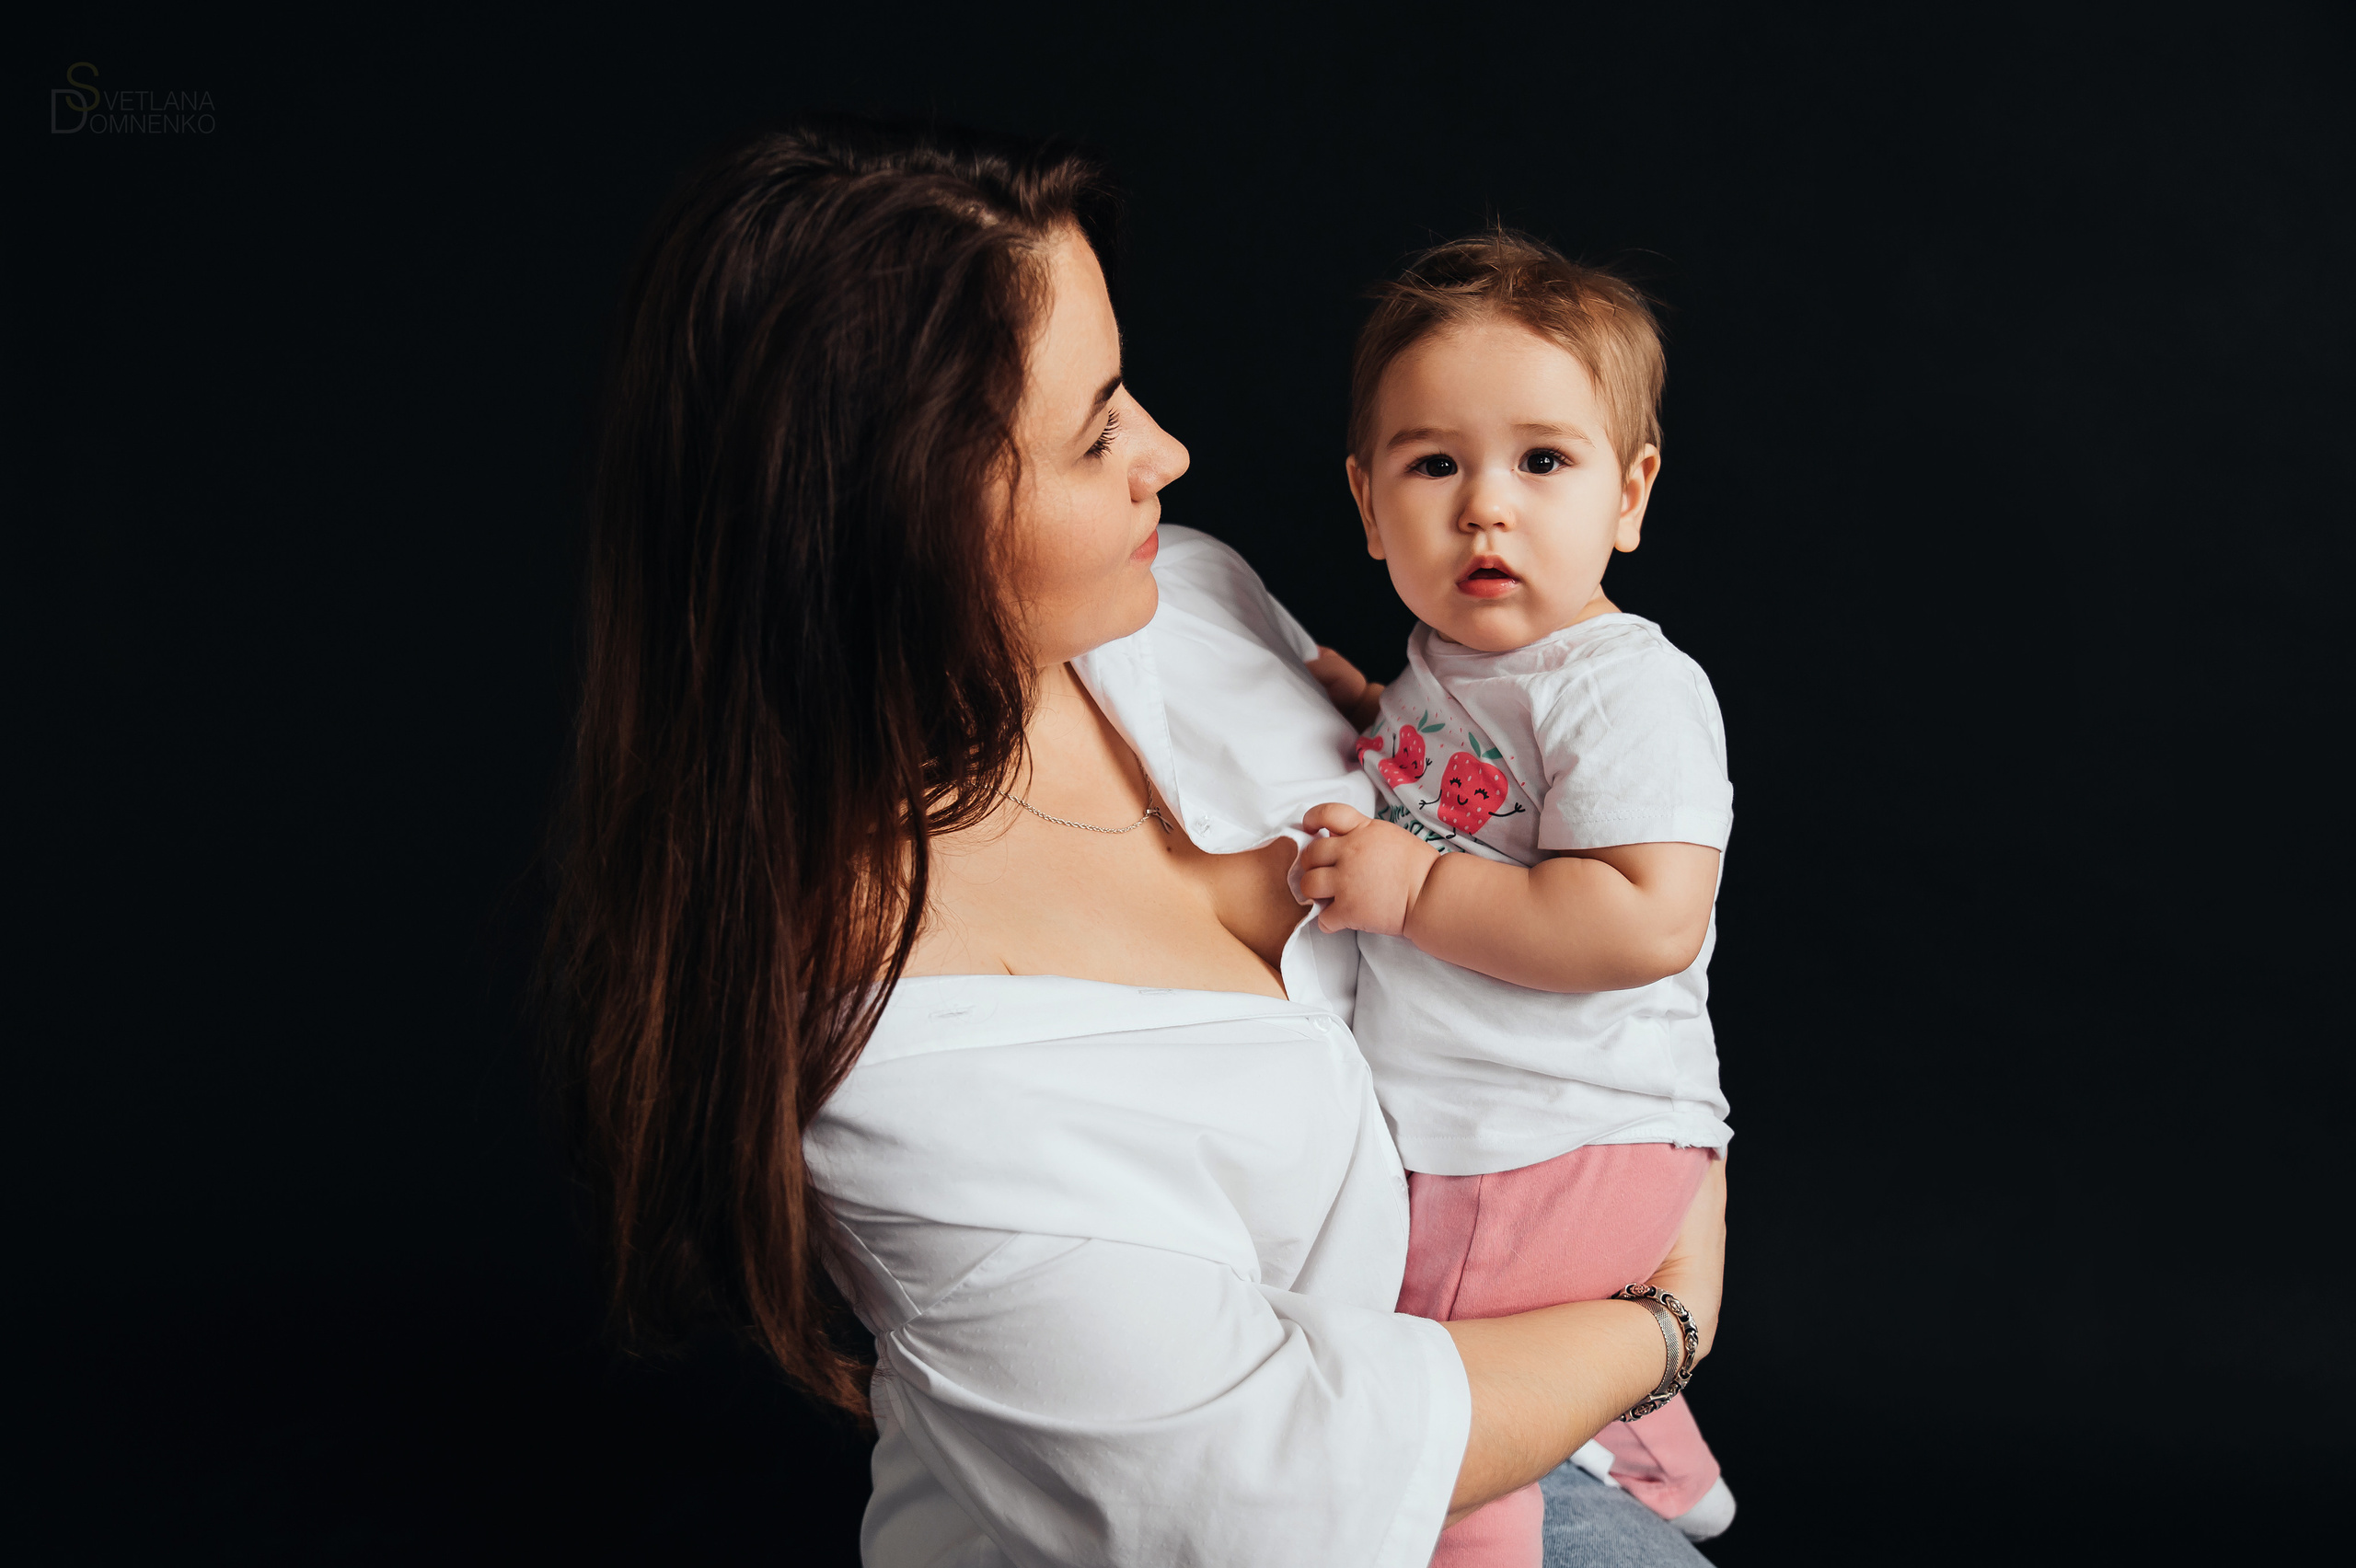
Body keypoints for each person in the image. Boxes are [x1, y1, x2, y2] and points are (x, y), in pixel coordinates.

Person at [544, 118, 1726, 1567]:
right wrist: (1665, 1321)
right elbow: (1272, 1492)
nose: (1167, 451)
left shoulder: (1183, 601)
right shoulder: (907, 1068)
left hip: (1538, 1407)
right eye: (1097, 429)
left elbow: (1497, 814)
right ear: (907, 512)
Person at [1297, 234, 1737, 1563]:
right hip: (1520, 1142)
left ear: (1629, 494)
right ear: (1369, 504)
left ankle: (1475, 1536)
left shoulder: (1621, 687)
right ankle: (1652, 1459)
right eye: (1435, 465)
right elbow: (1464, 781)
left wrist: (1416, 887)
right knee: (1516, 1327)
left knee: (1429, 1389)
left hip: (1538, 1148)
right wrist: (1367, 712)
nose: (1486, 506)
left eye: (1543, 461)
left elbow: (1643, 918)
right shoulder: (1453, 660)